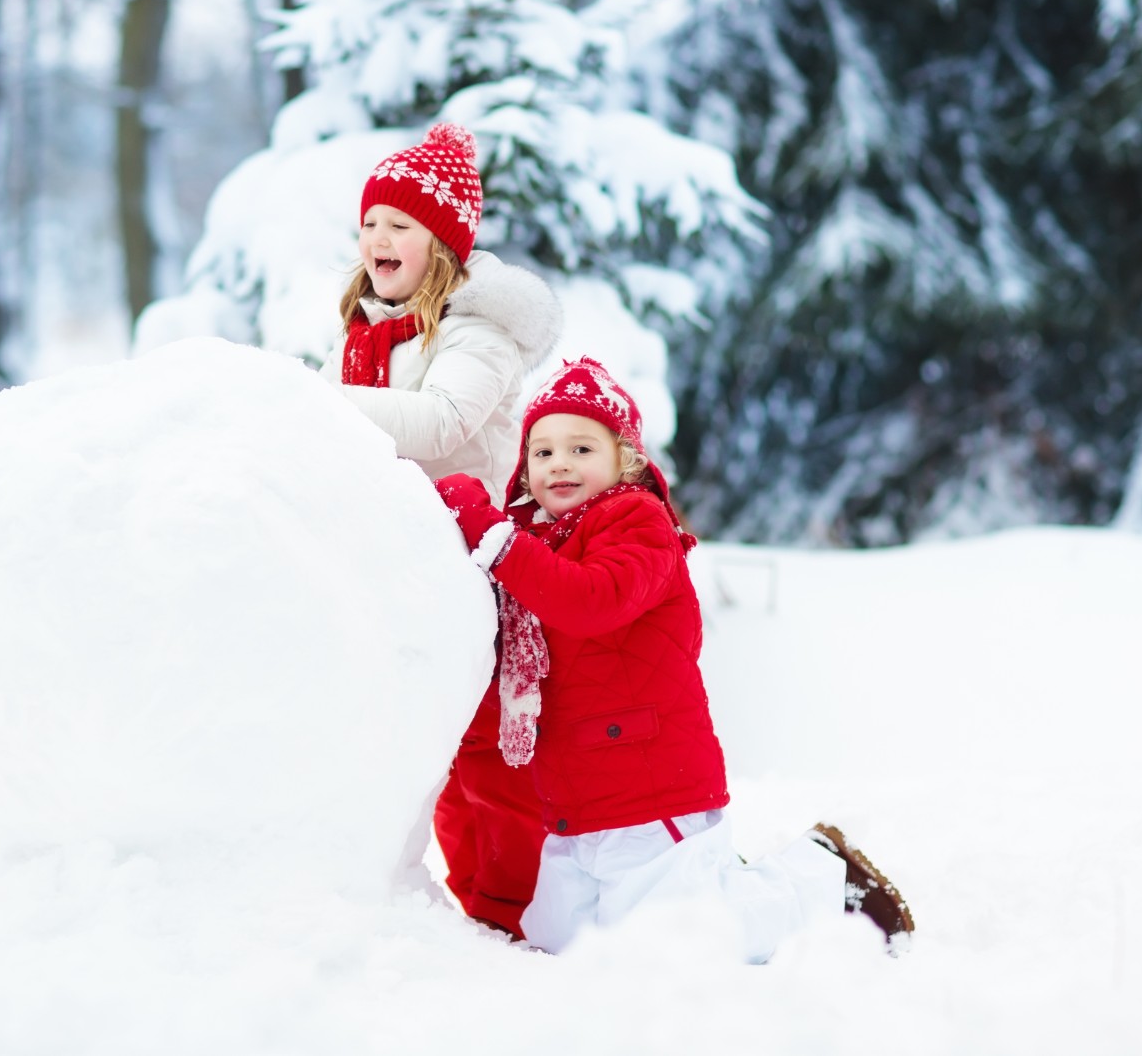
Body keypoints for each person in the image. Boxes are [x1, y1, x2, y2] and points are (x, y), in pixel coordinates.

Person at [433, 357, 916, 959]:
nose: (560, 463)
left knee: (676, 940)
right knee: (557, 936)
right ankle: (708, 883)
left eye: (582, 448)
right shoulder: (537, 543)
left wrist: (490, 535)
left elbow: (590, 600)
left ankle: (822, 882)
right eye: (543, 451)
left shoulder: (636, 521)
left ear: (625, 460)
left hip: (645, 780)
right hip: (575, 800)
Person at [319, 122, 560, 939]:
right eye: (371, 222)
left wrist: (312, 406)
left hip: (469, 569)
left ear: (444, 247)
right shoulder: (366, 335)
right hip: (394, 567)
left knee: (483, 763)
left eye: (401, 225)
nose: (379, 238)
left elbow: (441, 422)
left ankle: (524, 911)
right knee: (412, 751)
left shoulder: (476, 333)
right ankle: (432, 905)